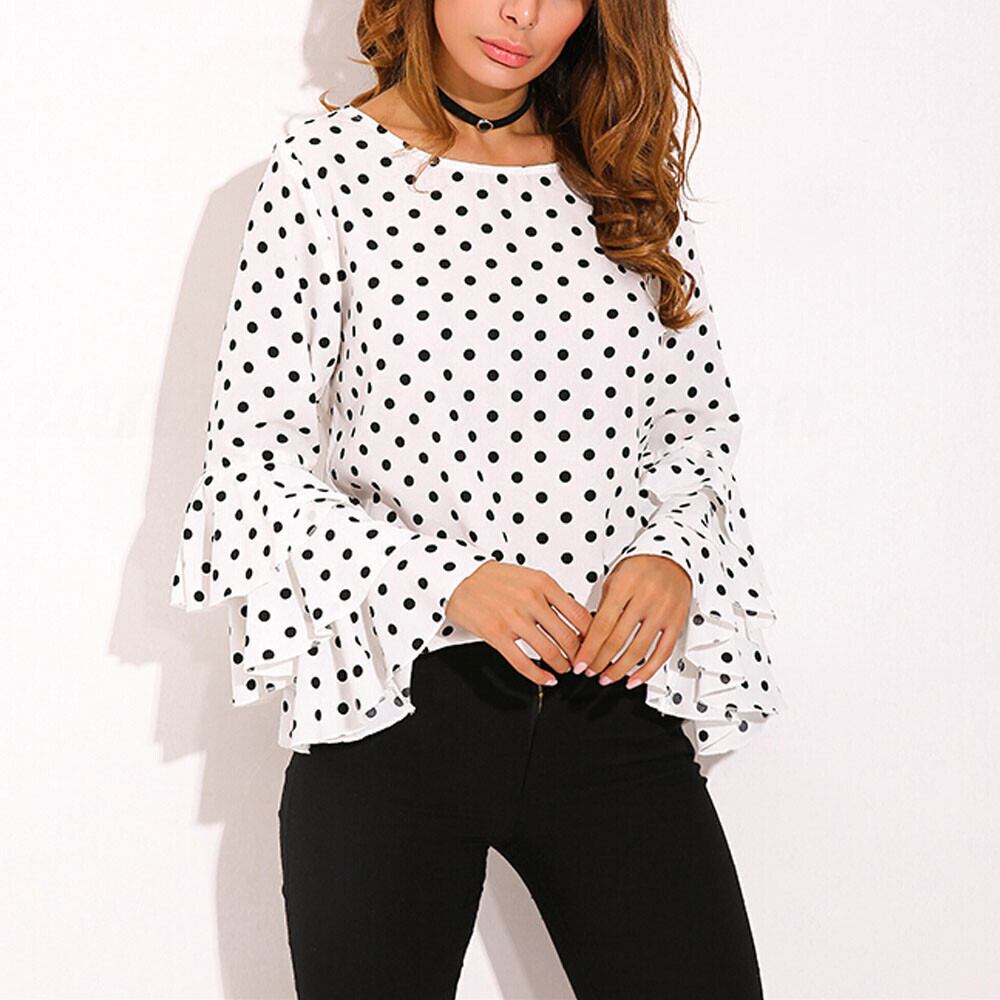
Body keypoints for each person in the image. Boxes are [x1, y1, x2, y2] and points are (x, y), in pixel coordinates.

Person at [169, 1, 789, 996]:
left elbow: (694, 432)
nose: (520, 13)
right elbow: (252, 468)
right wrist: (450, 581)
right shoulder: (324, 171)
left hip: (609, 709)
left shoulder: (618, 181)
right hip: (394, 715)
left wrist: (671, 552)